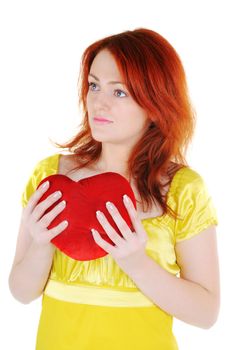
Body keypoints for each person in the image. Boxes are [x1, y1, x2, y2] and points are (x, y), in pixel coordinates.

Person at [8, 27, 220, 350]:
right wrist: (40, 245)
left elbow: (207, 313)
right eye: (94, 86)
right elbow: (20, 292)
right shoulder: (51, 176)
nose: (98, 103)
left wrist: (137, 263)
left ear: (155, 103)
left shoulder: (183, 190)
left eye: (118, 92)